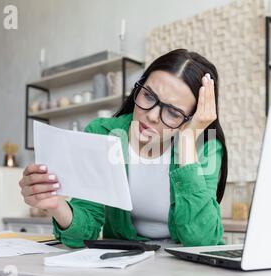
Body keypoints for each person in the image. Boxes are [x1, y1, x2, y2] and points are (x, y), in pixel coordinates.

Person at [19, 49, 228, 248]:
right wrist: (56, 204)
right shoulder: (103, 133)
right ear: (138, 88)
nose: (152, 116)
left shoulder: (205, 146)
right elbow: (84, 233)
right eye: (149, 96)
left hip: (182, 272)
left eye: (173, 112)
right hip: (125, 264)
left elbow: (204, 241)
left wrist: (188, 141)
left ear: (191, 118)